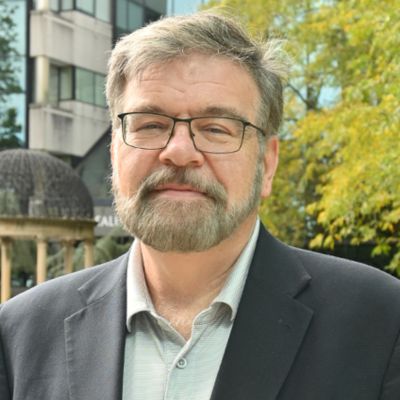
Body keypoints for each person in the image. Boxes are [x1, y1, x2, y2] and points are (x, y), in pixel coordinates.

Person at [1, 12, 400, 400]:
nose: (179, 152)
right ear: (114, 152)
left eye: (216, 129)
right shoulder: (21, 335)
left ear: (267, 164)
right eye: (150, 124)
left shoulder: (381, 324)